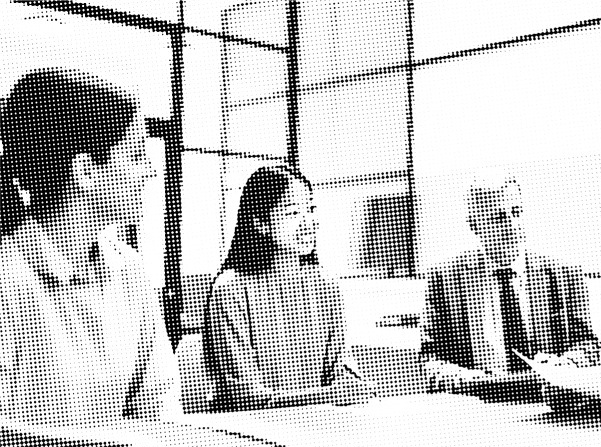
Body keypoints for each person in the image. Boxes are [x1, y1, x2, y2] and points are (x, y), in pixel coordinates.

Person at [0, 68, 181, 425]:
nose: (151, 171)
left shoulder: (129, 270)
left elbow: (158, 408)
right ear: (86, 171)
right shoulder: (9, 278)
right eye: (136, 155)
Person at [203, 165, 375, 412]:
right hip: (253, 430)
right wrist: (328, 396)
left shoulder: (326, 284)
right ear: (260, 223)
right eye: (293, 213)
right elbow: (245, 395)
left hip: (319, 423)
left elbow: (341, 368)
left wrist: (355, 387)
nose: (309, 223)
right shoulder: (231, 288)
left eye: (311, 209)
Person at [419, 174, 600, 401]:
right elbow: (431, 361)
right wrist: (474, 382)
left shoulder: (565, 275)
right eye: (499, 217)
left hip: (549, 402)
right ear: (475, 225)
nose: (513, 225)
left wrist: (565, 365)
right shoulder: (445, 279)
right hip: (480, 403)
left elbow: (588, 345)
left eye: (517, 212)